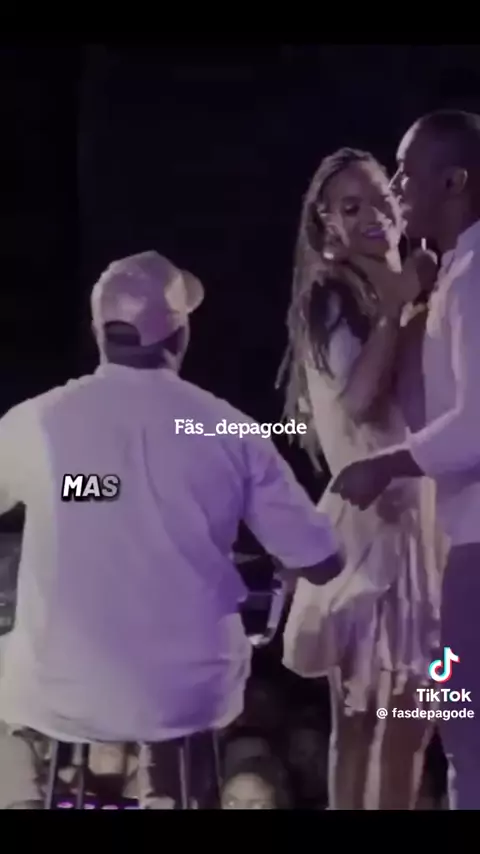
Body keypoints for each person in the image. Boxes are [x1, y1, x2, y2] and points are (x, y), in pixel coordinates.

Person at [0, 250, 342, 809]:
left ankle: (24, 799)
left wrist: (75, 496)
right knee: (176, 695)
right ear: (180, 335)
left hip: (61, 688)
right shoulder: (224, 428)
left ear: (99, 331)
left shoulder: (35, 421)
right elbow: (322, 559)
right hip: (190, 692)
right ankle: (166, 796)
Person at [278, 148, 444, 809]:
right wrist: (398, 308)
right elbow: (358, 402)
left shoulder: (399, 290)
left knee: (407, 722)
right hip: (376, 533)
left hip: (424, 525)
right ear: (328, 223)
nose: (374, 215)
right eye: (352, 207)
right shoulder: (333, 296)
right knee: (371, 719)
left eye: (381, 198)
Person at [331, 110, 480, 811]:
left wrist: (383, 466)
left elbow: (473, 423)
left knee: (459, 727)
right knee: (419, 719)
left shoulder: (470, 278)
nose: (394, 192)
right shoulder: (445, 280)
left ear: (454, 181)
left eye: (402, 174)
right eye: (350, 205)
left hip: (461, 551)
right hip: (432, 547)